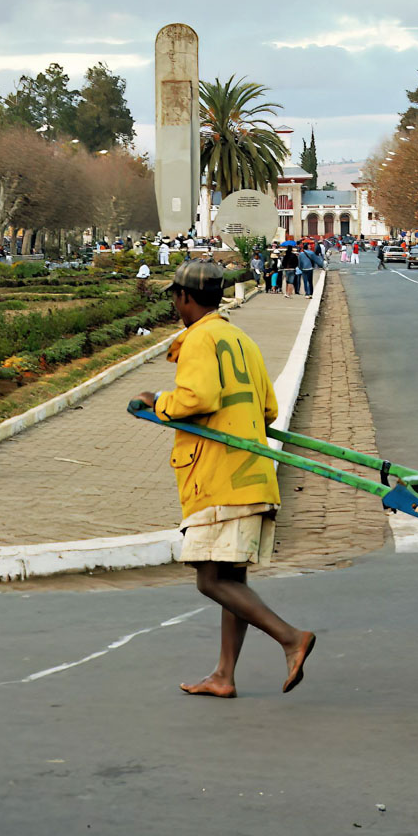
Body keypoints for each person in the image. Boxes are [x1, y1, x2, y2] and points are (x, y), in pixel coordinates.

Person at [135, 261, 314, 698]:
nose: (177, 306)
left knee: (210, 580)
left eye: (176, 298)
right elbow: (268, 410)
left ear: (185, 298)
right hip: (251, 471)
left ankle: (291, 638)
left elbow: (198, 397)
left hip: (219, 476)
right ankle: (223, 675)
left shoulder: (199, 339)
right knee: (232, 578)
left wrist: (157, 401)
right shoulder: (241, 338)